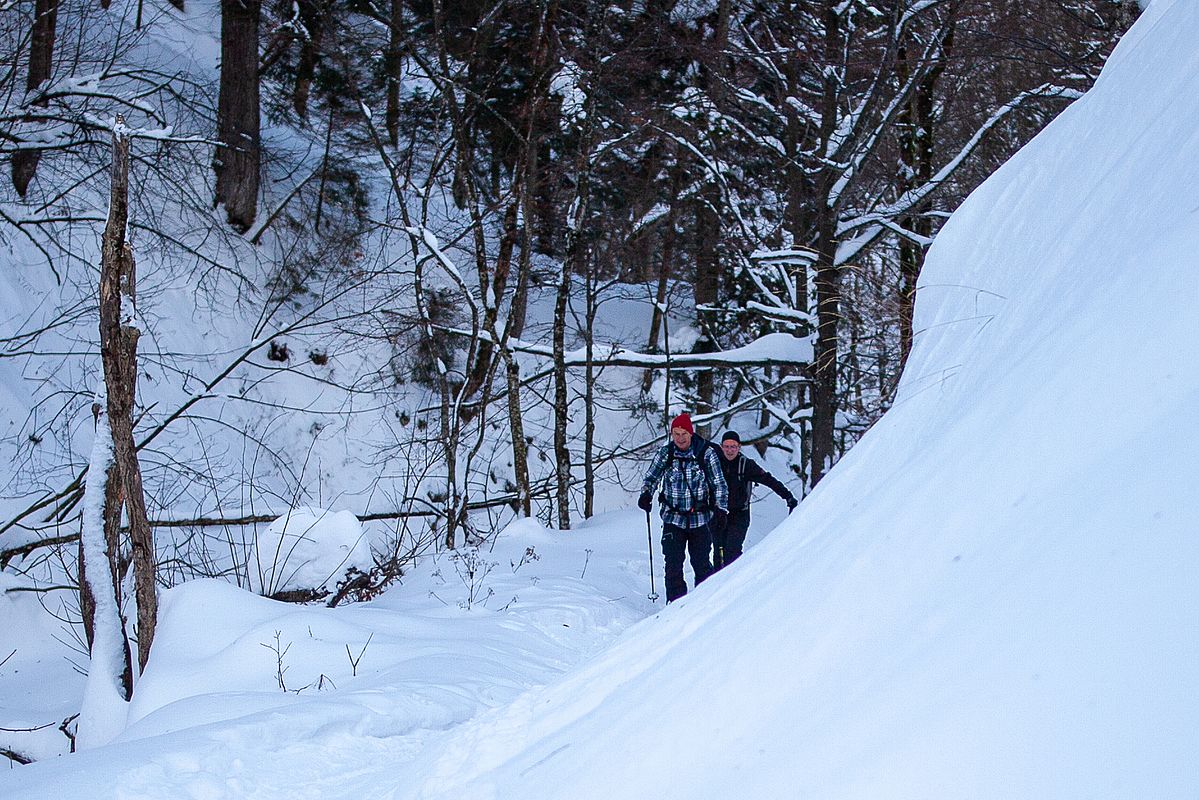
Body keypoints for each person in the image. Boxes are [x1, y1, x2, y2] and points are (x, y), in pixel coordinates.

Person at [638, 412, 729, 602]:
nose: (680, 438)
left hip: (700, 519)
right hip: (673, 518)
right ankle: (675, 605)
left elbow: (719, 483)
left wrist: (721, 508)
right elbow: (652, 477)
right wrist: (646, 493)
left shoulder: (706, 453)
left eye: (684, 434)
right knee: (673, 565)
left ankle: (704, 604)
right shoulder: (666, 453)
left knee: (702, 564)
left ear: (691, 433)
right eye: (676, 434)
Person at [711, 430, 798, 570]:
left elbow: (768, 480)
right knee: (718, 553)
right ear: (721, 447)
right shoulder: (715, 463)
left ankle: (734, 585)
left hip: (739, 515)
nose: (729, 450)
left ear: (739, 447)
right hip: (718, 514)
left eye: (733, 447)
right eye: (726, 447)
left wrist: (787, 496)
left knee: (732, 552)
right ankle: (716, 588)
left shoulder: (746, 465)